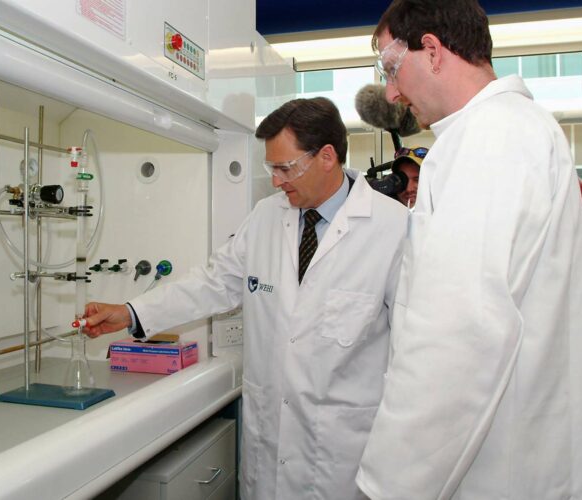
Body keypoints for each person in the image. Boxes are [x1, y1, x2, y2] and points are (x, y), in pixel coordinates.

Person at [83, 97, 408, 500]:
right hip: (269, 448)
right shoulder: (266, 217)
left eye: (285, 168)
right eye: (270, 168)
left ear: (327, 156)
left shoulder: (393, 228)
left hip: (344, 457)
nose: (275, 181)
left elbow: (413, 356)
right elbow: (213, 282)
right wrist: (131, 312)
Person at [356, 1, 582, 499]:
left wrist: (390, 487)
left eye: (393, 70)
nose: (393, 92)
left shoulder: (492, 138)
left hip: (498, 465)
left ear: (433, 51)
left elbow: (457, 333)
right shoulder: (507, 131)